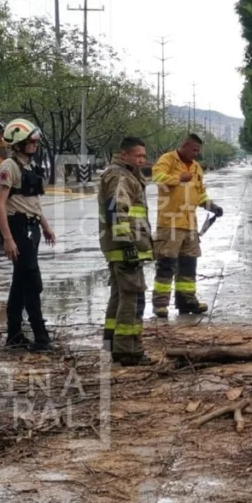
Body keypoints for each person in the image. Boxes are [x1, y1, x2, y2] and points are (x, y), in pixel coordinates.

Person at [0, 119, 56, 352]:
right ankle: (41, 337)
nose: (36, 145)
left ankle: (14, 334)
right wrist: (8, 239)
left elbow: (33, 201)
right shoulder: (8, 167)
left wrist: (45, 226)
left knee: (20, 282)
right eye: (32, 142)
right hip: (19, 228)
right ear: (19, 143)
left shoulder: (29, 165)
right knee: (32, 282)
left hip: (32, 228)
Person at [151, 134, 224, 316]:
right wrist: (178, 178)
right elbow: (158, 178)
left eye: (198, 151)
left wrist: (212, 206)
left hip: (190, 224)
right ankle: (160, 304)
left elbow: (200, 194)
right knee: (166, 264)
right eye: (194, 150)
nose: (196, 153)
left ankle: (187, 301)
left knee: (189, 265)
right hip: (170, 223)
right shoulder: (168, 159)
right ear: (184, 146)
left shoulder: (196, 167)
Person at [99, 137, 156, 366]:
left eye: (144, 155)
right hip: (126, 249)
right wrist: (128, 244)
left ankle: (111, 344)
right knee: (133, 300)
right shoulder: (121, 176)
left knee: (119, 297)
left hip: (120, 248)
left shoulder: (125, 174)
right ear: (124, 155)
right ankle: (129, 351)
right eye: (138, 155)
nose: (142, 160)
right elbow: (116, 210)